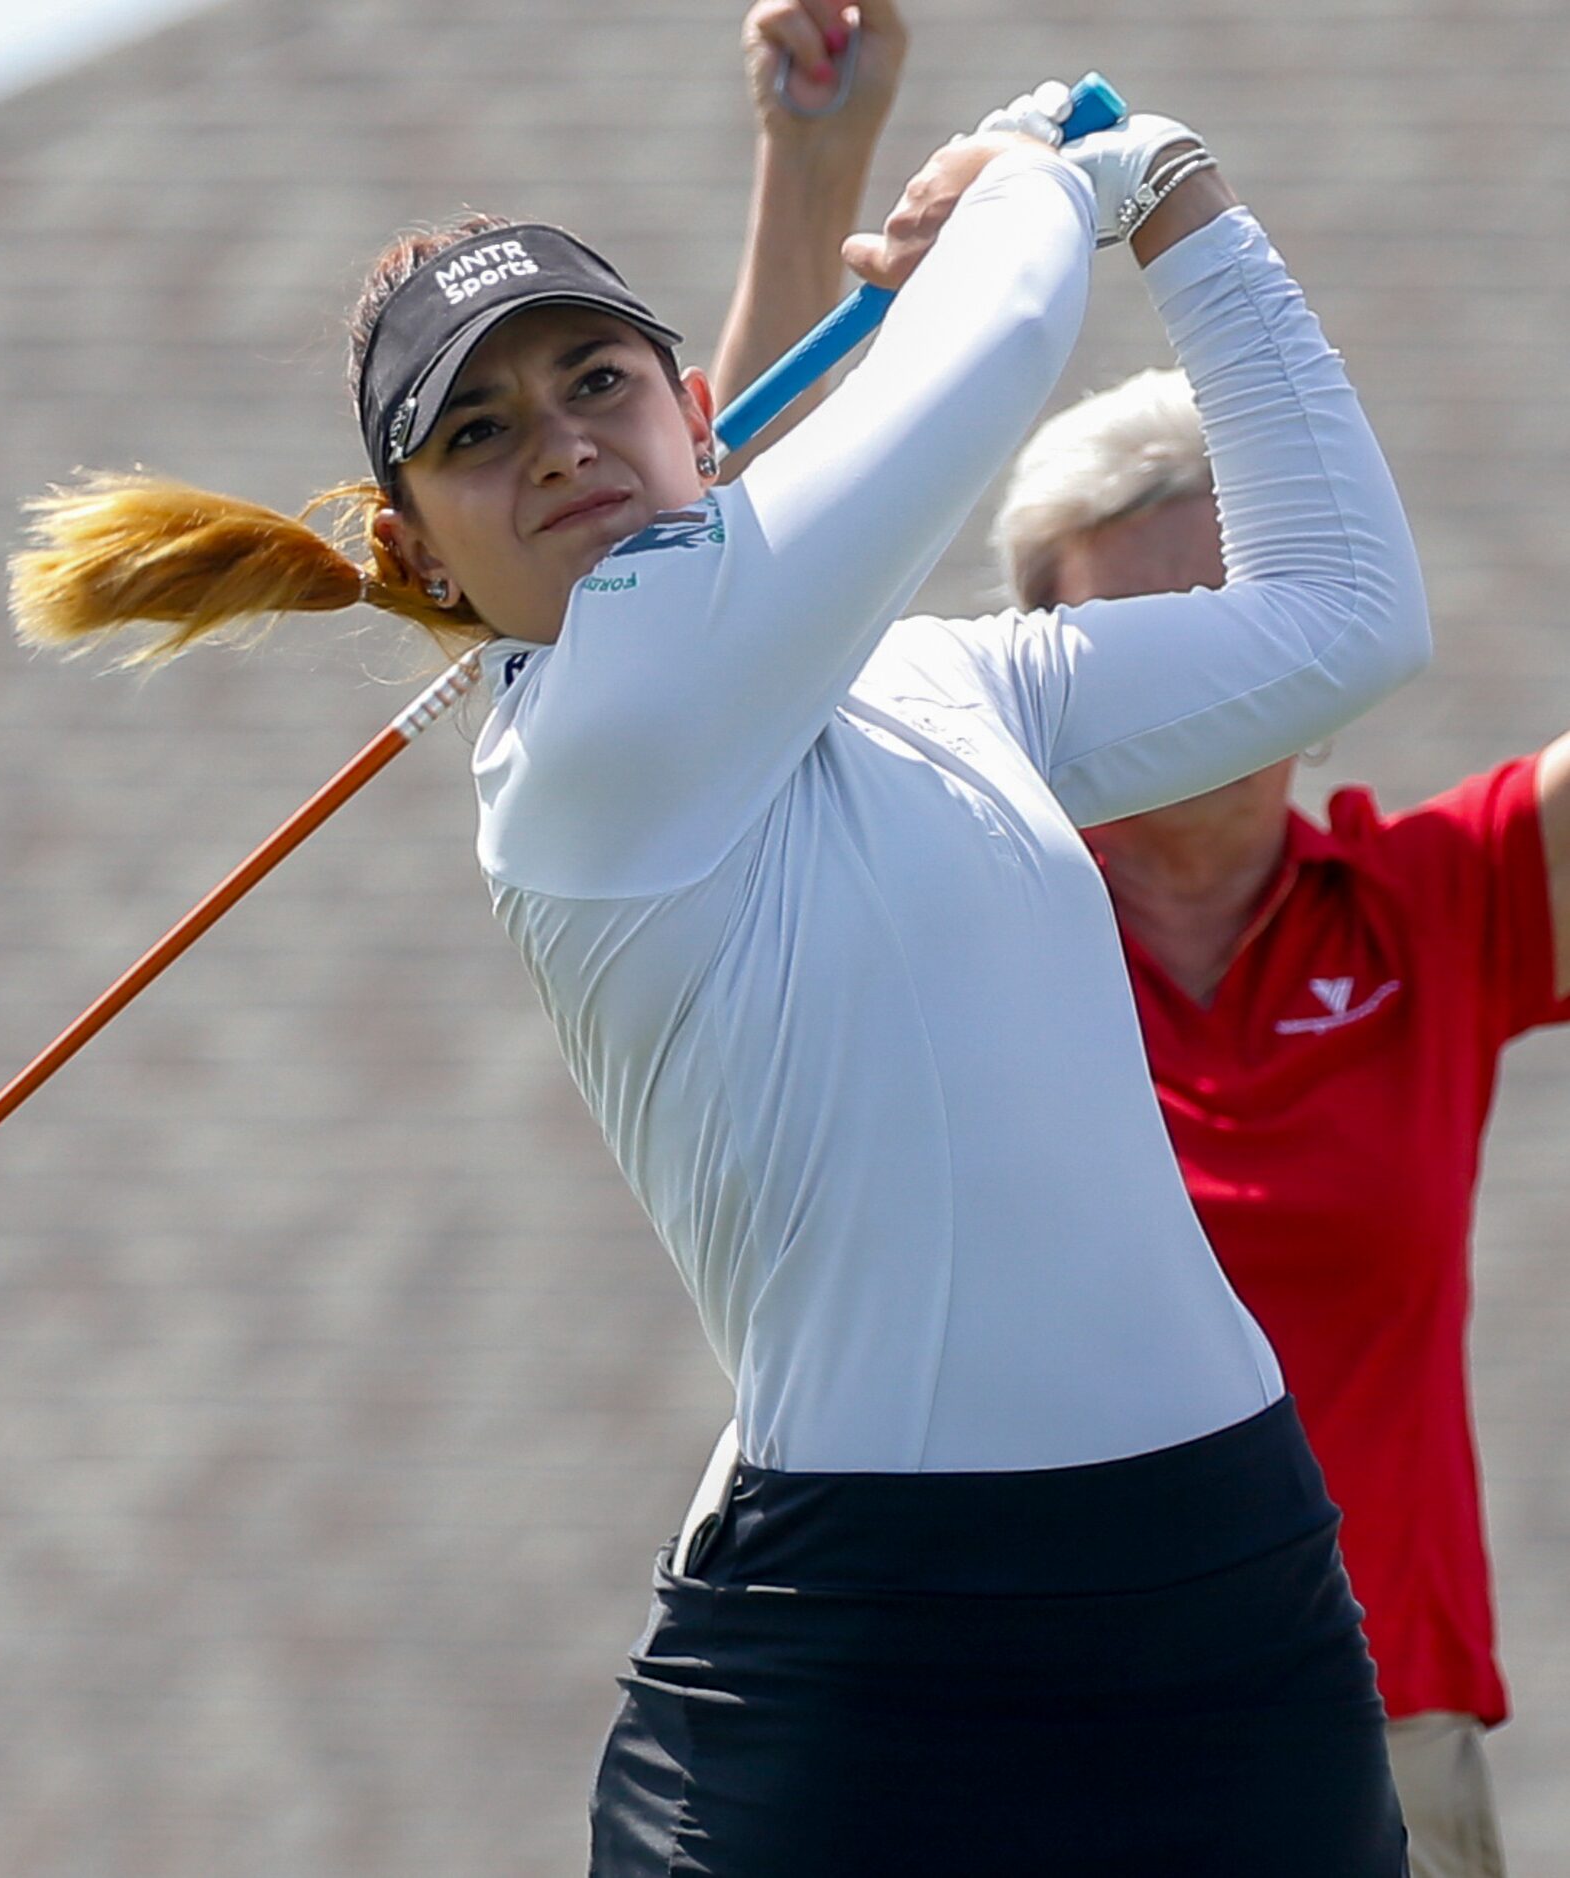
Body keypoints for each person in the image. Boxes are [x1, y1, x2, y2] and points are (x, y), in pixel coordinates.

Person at [9, 69, 1430, 1875]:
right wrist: (1038, 176)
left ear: (697, 413)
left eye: (595, 382)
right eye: (477, 435)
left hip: (1228, 1598)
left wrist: (1181, 201)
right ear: (413, 551)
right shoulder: (595, 743)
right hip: (870, 1666)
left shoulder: (937, 687)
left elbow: (1345, 617)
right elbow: (984, 348)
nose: (559, 445)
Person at [714, 18, 1569, 1876]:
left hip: (1379, 1736)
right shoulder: (943, 892)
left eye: (1245, 604)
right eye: (1144, 626)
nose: (1210, 662)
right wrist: (818, 173)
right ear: (1043, 653)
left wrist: (1180, 205)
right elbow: (723, 599)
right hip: (1023, 1732)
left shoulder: (1444, 895)